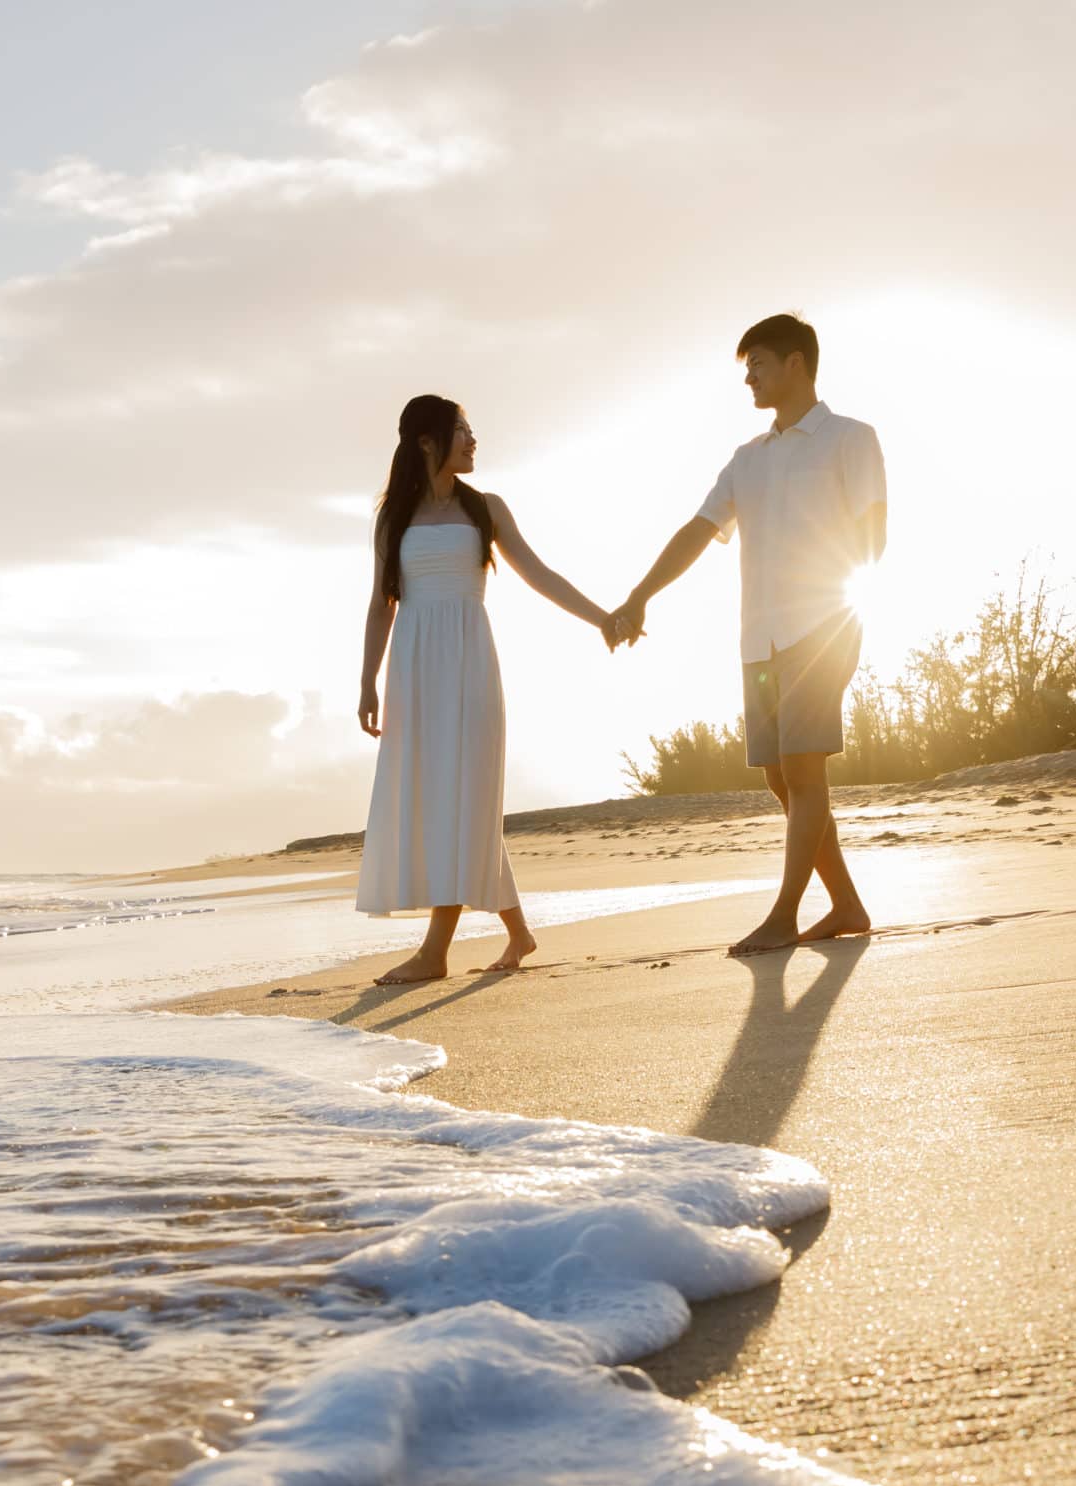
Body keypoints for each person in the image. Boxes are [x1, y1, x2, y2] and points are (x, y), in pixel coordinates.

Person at [611, 313, 885, 955]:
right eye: (745, 368)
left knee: (802, 766)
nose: (750, 378)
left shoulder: (852, 438)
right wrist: (639, 596)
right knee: (780, 778)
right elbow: (697, 531)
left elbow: (875, 528)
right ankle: (845, 904)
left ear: (797, 363)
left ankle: (785, 914)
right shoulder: (747, 459)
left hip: (823, 623)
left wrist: (851, 599)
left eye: (758, 363)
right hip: (758, 636)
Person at [355, 394, 620, 984]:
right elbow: (381, 605)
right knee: (447, 799)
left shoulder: (486, 509)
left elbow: (541, 575)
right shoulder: (392, 517)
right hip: (414, 668)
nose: (474, 440)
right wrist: (367, 681)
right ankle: (520, 933)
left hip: (471, 664)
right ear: (427, 442)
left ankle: (435, 952)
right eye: (462, 431)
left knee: (464, 796)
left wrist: (603, 617)